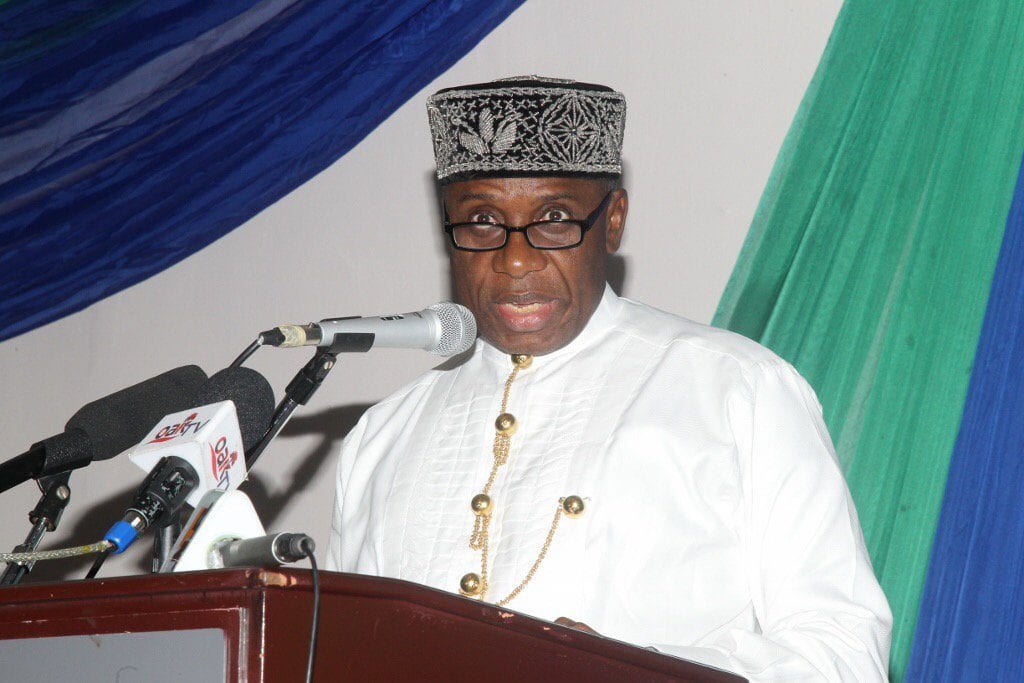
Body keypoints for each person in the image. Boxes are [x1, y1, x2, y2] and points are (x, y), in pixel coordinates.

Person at [326, 76, 892, 681]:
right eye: (482, 221)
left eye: (554, 218)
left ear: (613, 221)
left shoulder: (738, 389)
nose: (515, 259)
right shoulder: (382, 435)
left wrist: (632, 671)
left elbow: (844, 653)